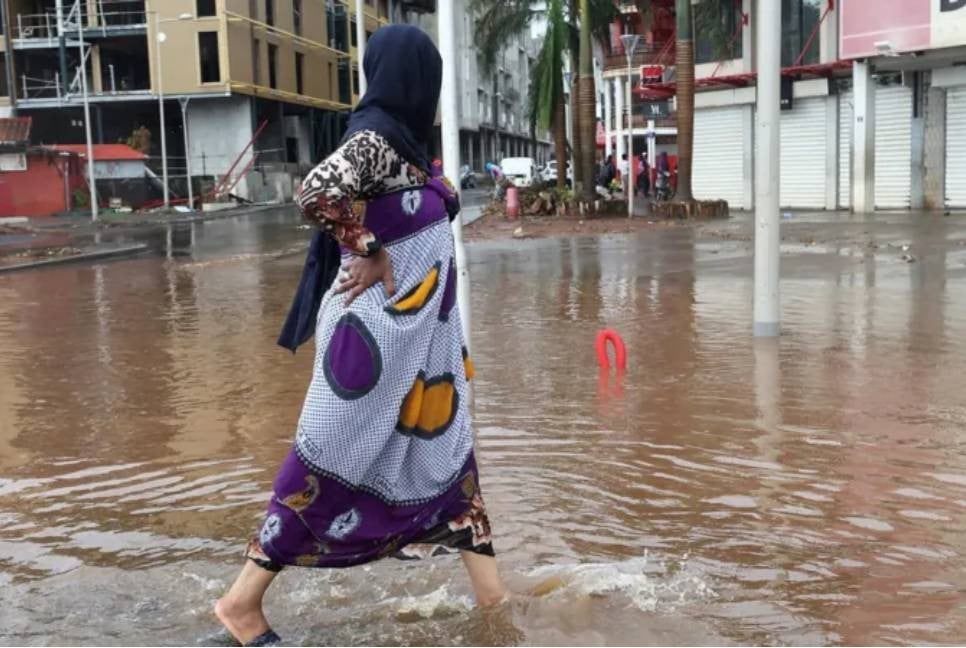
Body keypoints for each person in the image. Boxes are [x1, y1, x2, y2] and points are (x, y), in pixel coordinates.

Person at [215, 25, 506, 647]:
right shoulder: (374, 138)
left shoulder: (406, 145)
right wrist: (367, 245)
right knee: (327, 460)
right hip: (371, 344)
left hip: (423, 346)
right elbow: (317, 190)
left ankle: (497, 606)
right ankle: (242, 604)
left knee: (450, 466)